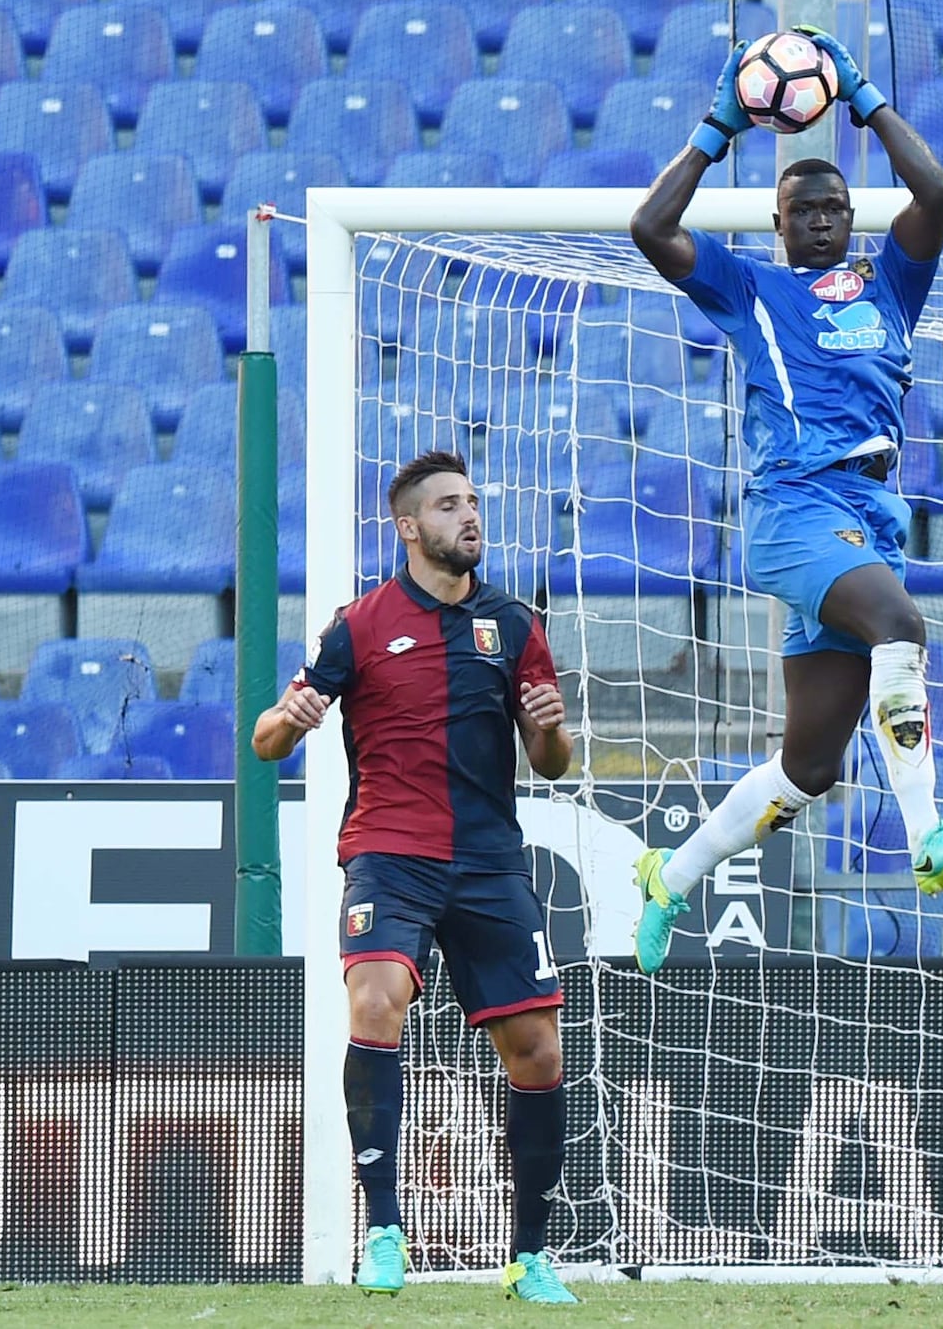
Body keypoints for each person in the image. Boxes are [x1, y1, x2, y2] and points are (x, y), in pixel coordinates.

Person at [626, 28, 943, 971]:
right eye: (802, 210)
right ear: (778, 223)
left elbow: (937, 193)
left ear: (851, 216)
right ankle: (927, 833)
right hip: (795, 508)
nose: (820, 221)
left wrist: (862, 96)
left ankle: (670, 875)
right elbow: (651, 229)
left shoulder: (889, 284)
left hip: (870, 518)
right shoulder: (749, 289)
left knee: (811, 767)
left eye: (832, 208)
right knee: (900, 624)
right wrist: (718, 128)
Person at [252, 451, 578, 1302]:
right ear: (407, 526)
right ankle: (385, 1230)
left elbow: (551, 760)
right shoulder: (358, 625)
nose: (469, 516)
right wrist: (292, 717)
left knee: (539, 1050)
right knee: (373, 1000)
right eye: (448, 505)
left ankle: (530, 1254)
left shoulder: (513, 623)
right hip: (389, 853)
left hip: (489, 860)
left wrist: (550, 728)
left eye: (472, 502)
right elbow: (265, 740)